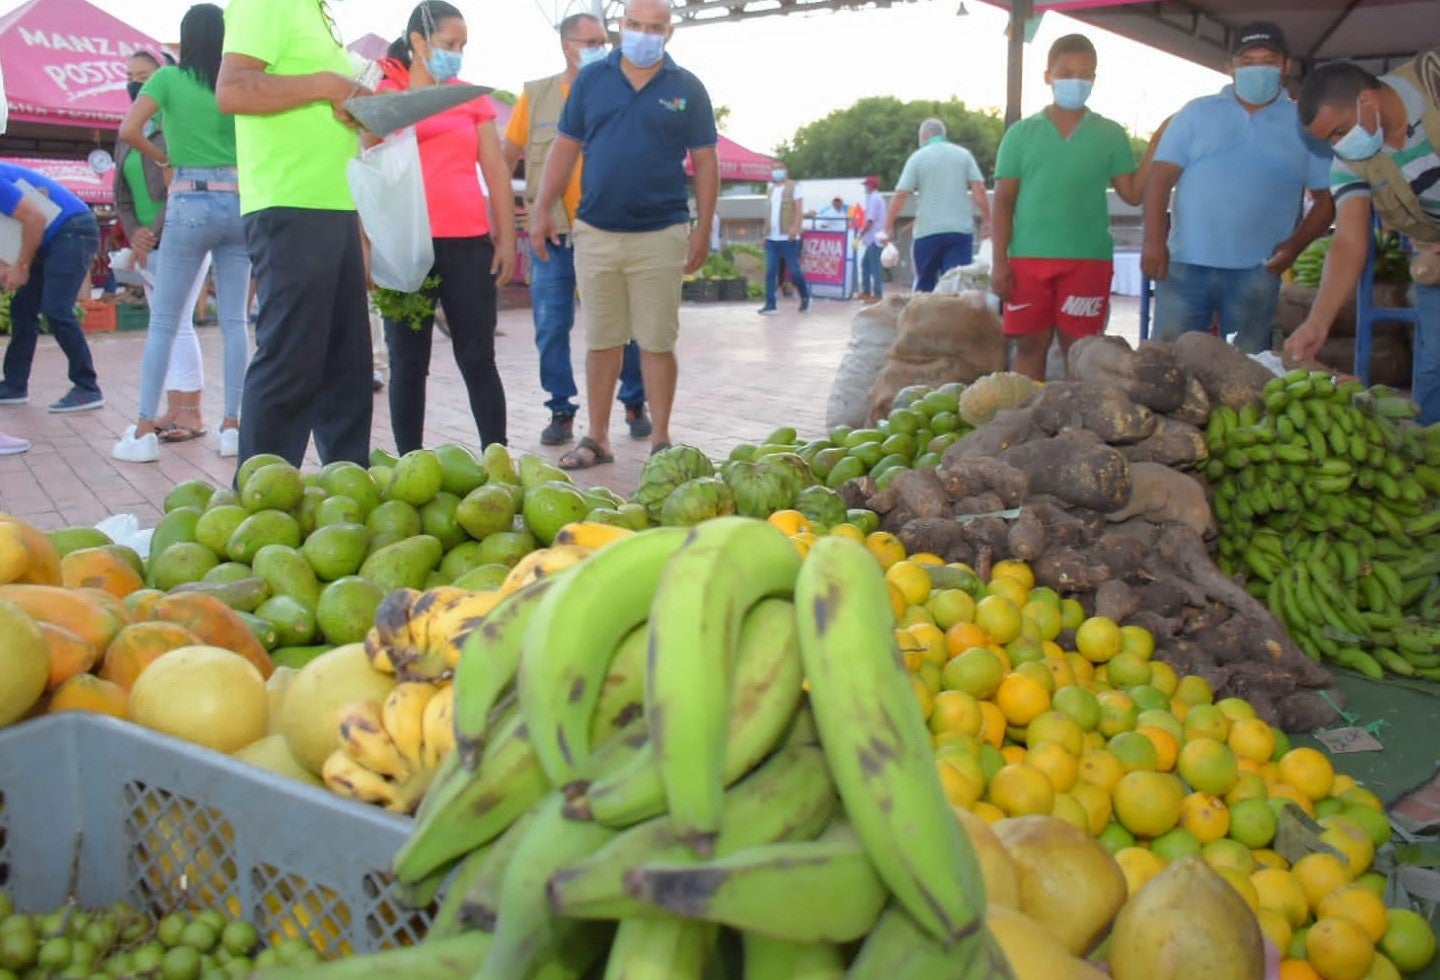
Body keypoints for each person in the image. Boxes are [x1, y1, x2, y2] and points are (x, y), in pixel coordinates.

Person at [529, 0, 717, 470]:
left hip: (662, 232)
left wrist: (704, 228)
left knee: (657, 341)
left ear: (669, 32)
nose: (644, 34)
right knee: (602, 341)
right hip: (596, 231)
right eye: (635, 24)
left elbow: (706, 161)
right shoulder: (592, 79)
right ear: (621, 25)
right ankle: (597, 439)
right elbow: (565, 146)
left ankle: (661, 441)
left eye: (654, 27)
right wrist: (541, 209)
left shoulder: (687, 87)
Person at [216, 0, 373, 472]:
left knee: (347, 370)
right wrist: (328, 85)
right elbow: (233, 88)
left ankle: (349, 490)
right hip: (290, 202)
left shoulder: (318, 13)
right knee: (291, 363)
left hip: (334, 204)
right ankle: (261, 497)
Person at [366, 3, 515, 454]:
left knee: (478, 357)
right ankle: (410, 463)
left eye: (462, 46)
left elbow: (495, 170)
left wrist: (506, 237)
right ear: (418, 41)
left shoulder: (469, 96)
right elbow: (365, 167)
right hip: (405, 246)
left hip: (467, 243)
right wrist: (367, 244)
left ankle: (497, 458)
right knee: (408, 363)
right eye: (450, 44)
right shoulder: (382, 92)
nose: (457, 54)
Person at [501, 12, 650, 448]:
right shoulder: (536, 96)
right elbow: (504, 158)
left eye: (604, 41)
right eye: (590, 42)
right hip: (553, 236)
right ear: (566, 46)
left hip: (610, 230)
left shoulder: (624, 90)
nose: (600, 49)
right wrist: (512, 215)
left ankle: (634, 399)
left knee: (625, 325)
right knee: (551, 326)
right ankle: (561, 409)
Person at [1143, 23, 1334, 354]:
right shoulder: (1196, 113)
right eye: (1247, 62)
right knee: (1167, 361)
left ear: (1286, 66)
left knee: (1247, 368)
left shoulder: (1304, 123)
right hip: (1186, 265)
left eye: (1268, 61)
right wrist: (1153, 242)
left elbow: (1326, 201)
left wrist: (1294, 247)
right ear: (1230, 67)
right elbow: (1159, 182)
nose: (1257, 69)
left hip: (1257, 271)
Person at [114, 9, 252, 465]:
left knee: (165, 323)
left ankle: (142, 431)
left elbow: (129, 130)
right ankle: (233, 427)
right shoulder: (235, 82)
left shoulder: (167, 79)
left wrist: (164, 160)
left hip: (190, 199)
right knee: (235, 321)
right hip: (239, 200)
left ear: (185, 39)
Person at [1285, 55, 1440, 424]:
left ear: (1368, 101)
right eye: (1329, 140)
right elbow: (1348, 242)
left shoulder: (1433, 80)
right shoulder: (1350, 161)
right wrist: (1318, 321)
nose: (1338, 146)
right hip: (1433, 257)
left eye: (1339, 132)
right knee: (1434, 365)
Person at [992, 33, 1155, 381]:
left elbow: (1132, 193)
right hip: (1028, 260)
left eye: (1084, 74)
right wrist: (999, 262)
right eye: (1066, 73)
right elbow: (1003, 202)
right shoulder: (1020, 135)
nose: (1075, 81)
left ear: (1094, 79)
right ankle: (1029, 413)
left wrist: (1158, 143)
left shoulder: (1111, 134)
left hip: (1088, 260)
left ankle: (1074, 415)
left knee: (1080, 351)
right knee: (1029, 347)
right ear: (1048, 76)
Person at [116, 49, 214, 441]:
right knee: (165, 321)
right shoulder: (129, 130)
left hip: (180, 229)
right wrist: (133, 231)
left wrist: (151, 231)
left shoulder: (175, 125)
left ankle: (192, 411)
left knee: (178, 321)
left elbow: (180, 185)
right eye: (130, 76)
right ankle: (174, 408)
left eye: (143, 76)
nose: (135, 83)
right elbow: (122, 193)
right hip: (145, 242)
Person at [0, 164, 104, 413]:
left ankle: (87, 387)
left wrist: (21, 266)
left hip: (73, 229)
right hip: (49, 237)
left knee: (56, 309)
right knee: (23, 308)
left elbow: (35, 218)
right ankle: (14, 385)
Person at [884, 118, 991, 292]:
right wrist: (988, 220)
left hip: (927, 234)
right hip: (959, 233)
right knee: (956, 287)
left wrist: (888, 225)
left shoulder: (917, 158)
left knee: (924, 289)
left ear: (925, 135)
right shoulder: (964, 155)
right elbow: (979, 191)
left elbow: (900, 195)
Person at [758, 162, 810, 315]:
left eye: (780, 168)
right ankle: (770, 304)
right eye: (774, 168)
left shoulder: (794, 187)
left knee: (794, 270)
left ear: (786, 170)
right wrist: (764, 234)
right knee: (771, 270)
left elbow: (799, 210)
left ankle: (805, 297)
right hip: (772, 237)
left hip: (788, 236)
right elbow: (768, 213)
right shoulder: (771, 189)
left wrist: (795, 228)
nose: (777, 171)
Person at [857, 174, 888, 301]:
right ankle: (866, 292)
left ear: (871, 185)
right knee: (865, 265)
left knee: (874, 268)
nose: (865, 187)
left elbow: (870, 220)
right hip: (873, 239)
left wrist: (861, 233)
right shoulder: (875, 198)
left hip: (874, 239)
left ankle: (877, 295)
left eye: (866, 185)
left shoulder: (874, 199)